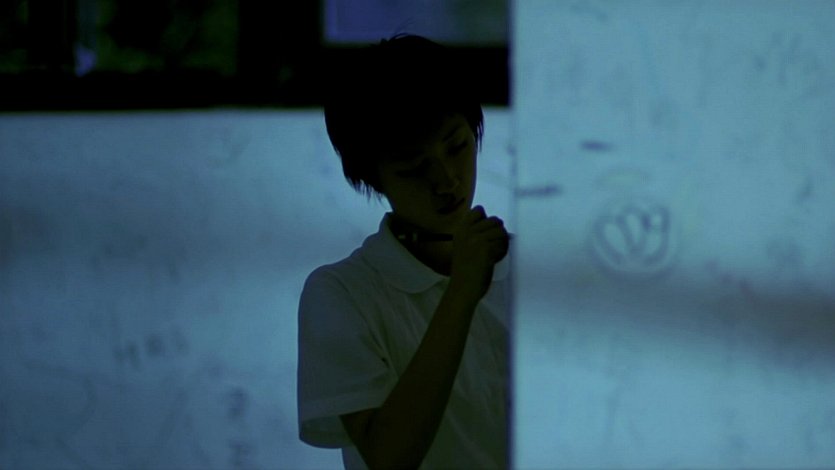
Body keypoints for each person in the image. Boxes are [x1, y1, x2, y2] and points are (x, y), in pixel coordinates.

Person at [297, 34, 512, 469]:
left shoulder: (531, 267)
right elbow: (388, 458)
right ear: (374, 178)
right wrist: (462, 292)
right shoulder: (343, 294)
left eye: (457, 146)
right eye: (414, 168)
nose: (447, 181)